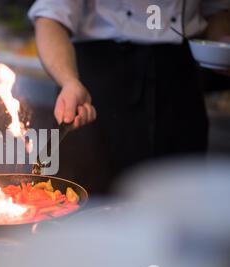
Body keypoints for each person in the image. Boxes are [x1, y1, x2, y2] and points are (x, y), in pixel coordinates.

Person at [28, 0, 230, 193]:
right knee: (96, 199)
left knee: (181, 197)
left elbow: (217, 12)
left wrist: (223, 46)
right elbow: (50, 17)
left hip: (180, 82)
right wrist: (68, 81)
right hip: (104, 83)